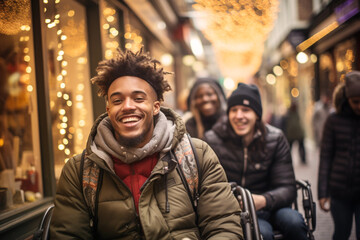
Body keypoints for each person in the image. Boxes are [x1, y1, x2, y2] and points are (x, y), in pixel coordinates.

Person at [49, 48, 243, 239]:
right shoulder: (79, 170)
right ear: (108, 110)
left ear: (156, 106)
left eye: (138, 98)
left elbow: (223, 225)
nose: (127, 106)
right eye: (117, 101)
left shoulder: (197, 155)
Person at [204, 83, 308, 240]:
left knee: (295, 222)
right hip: (238, 210)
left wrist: (264, 200)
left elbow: (288, 188)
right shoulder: (213, 139)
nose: (239, 116)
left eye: (246, 110)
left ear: (257, 114)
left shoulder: (275, 138)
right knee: (262, 233)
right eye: (234, 110)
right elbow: (209, 187)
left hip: (273, 205)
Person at [318, 71, 360, 240]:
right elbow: (325, 156)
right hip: (339, 191)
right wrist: (322, 192)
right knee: (341, 233)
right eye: (356, 102)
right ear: (347, 99)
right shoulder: (333, 120)